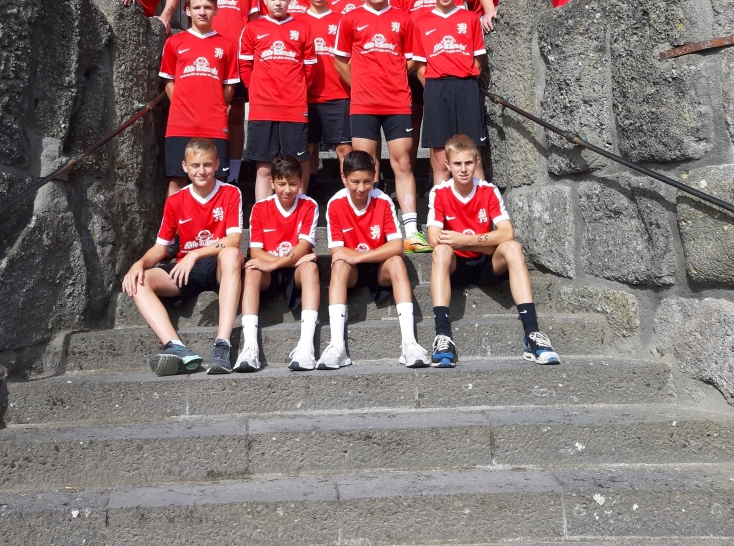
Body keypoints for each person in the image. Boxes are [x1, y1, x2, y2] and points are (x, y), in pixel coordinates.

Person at [426, 133, 560, 368]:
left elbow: (507, 233)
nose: (463, 169)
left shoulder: (488, 190)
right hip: (456, 265)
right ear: (447, 164)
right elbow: (435, 239)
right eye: (457, 163)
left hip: (486, 263)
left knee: (513, 248)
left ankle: (532, 334)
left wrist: (464, 240)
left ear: (477, 161)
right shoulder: (439, 192)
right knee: (440, 252)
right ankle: (443, 337)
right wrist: (482, 243)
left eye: (469, 162)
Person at [121, 138, 244, 376]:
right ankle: (176, 347)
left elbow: (234, 240)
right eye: (195, 165)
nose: (201, 171)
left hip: (218, 264)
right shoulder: (176, 200)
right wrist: (138, 264)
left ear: (217, 164)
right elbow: (161, 247)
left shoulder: (230, 192)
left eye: (207, 164)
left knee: (231, 254)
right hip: (186, 269)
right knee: (140, 280)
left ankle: (222, 345)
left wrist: (195, 253)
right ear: (185, 166)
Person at [334, 0, 422, 246]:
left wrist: (393, 75)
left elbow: (413, 59)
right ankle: (370, 229)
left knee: (403, 163)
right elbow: (340, 61)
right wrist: (361, 84)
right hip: (363, 105)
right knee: (365, 166)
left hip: (397, 102)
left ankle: (411, 231)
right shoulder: (350, 19)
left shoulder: (404, 19)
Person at [319, 150, 429, 369]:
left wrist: (360, 257)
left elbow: (397, 246)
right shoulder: (335, 204)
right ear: (344, 178)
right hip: (351, 270)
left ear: (374, 176)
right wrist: (357, 259)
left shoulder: (383, 200)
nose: (361, 188)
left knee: (397, 262)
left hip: (378, 266)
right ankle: (337, 346)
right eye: (355, 182)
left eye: (367, 181)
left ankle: (409, 343)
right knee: (339, 265)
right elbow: (337, 251)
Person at [187, 0, 260, 184]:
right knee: (207, 114)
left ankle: (234, 175)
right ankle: (204, 171)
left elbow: (253, 24)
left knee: (235, 115)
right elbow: (191, 23)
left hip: (236, 60)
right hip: (206, 62)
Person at [234, 155, 321, 373]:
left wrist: (275, 264)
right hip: (274, 270)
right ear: (271, 182)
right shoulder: (260, 208)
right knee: (252, 269)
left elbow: (304, 246)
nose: (287, 190)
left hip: (296, 270)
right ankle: (249, 347)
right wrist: (282, 264)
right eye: (281, 184)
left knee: (310, 268)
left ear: (301, 181)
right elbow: (256, 252)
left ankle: (306, 346)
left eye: (292, 183)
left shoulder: (309, 205)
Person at [390, 0, 461, 169]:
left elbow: (458, 14)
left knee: (437, 117)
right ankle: (409, 172)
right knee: (413, 116)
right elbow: (397, 23)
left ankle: (437, 175)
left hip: (442, 57)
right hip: (413, 58)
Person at [240, 0, 316, 199]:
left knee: (294, 166)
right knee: (264, 169)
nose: (278, 3)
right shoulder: (252, 28)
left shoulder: (302, 28)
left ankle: (297, 214)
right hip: (262, 109)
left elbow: (310, 69)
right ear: (264, 0)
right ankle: (263, 215)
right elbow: (245, 66)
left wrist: (297, 91)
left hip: (294, 109)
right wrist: (255, 90)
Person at [411, 0, 487, 185]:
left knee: (473, 156)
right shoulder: (421, 23)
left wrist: (464, 81)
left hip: (466, 87)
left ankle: (480, 205)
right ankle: (441, 207)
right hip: (436, 88)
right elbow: (420, 66)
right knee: (440, 160)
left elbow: (477, 61)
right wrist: (434, 88)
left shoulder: (470, 18)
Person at [159, 0, 239, 193]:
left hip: (214, 124)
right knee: (177, 180)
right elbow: (169, 82)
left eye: (207, 7)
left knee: (216, 182)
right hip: (180, 125)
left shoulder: (227, 45)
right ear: (187, 10)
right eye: (196, 7)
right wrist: (182, 107)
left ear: (216, 10)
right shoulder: (174, 42)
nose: (202, 12)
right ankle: (174, 217)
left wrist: (217, 107)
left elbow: (229, 86)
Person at [303, 0, 352, 186]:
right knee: (307, 147)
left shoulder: (342, 20)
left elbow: (351, 57)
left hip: (338, 94)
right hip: (306, 96)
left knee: (344, 148)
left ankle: (350, 193)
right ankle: (307, 192)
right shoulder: (297, 22)